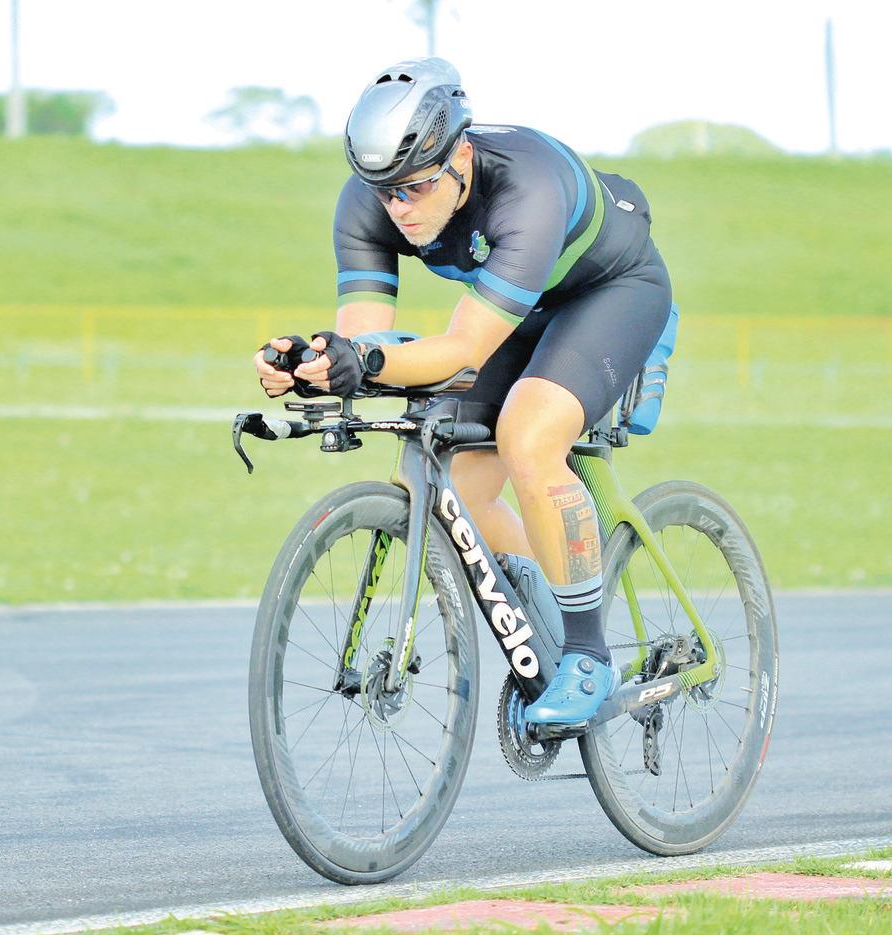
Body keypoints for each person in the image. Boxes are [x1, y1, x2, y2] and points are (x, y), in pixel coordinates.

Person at [253, 57, 674, 726]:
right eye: (385, 190)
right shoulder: (372, 200)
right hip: (514, 308)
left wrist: (364, 362)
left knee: (528, 438)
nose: (400, 208)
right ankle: (551, 629)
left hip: (611, 295)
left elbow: (460, 351)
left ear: (462, 155)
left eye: (416, 188)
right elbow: (369, 341)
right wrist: (318, 364)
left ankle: (590, 657)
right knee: (453, 492)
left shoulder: (525, 192)